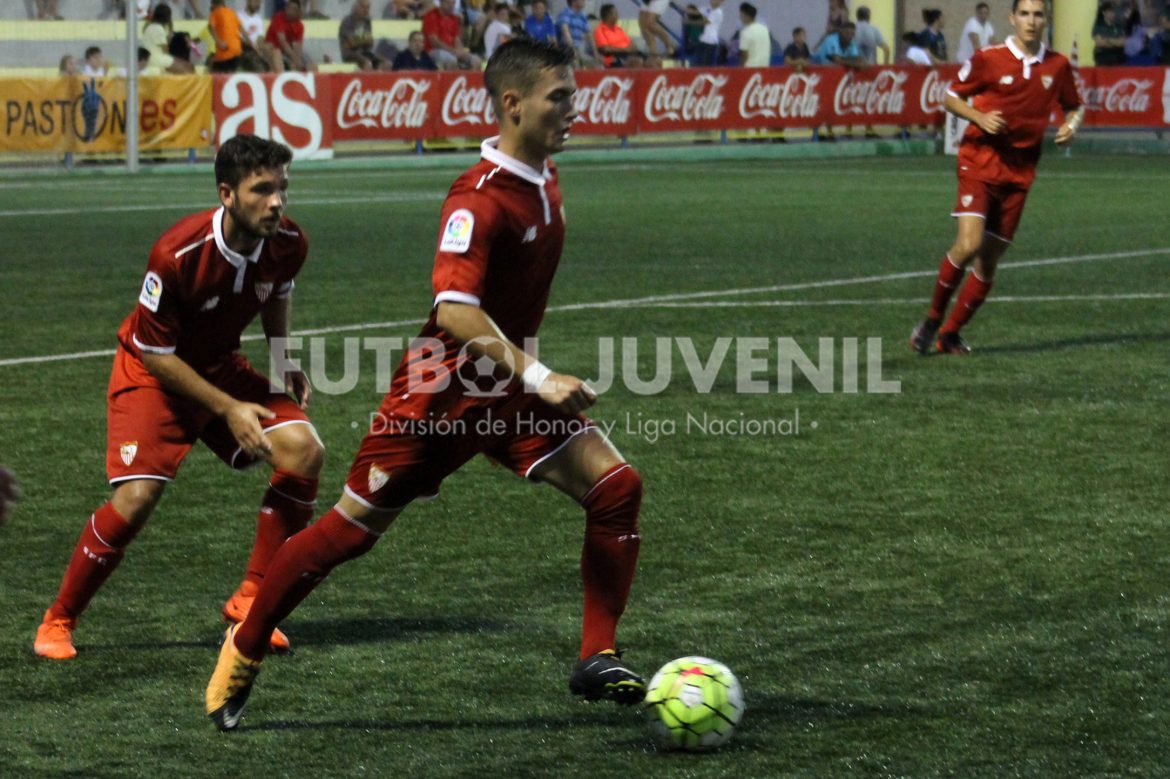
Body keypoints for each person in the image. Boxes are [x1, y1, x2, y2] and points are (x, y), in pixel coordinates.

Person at [205, 37, 647, 731]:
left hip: (504, 393)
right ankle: (249, 638)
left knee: (617, 486)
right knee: (349, 533)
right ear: (513, 104)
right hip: (436, 398)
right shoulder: (478, 199)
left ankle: (597, 655)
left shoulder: (543, 175)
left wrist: (524, 377)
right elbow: (453, 307)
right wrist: (538, 372)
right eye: (559, 96)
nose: (573, 106)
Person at [34, 135, 324, 661]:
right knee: (137, 499)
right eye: (262, 189)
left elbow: (278, 291)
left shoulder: (289, 242)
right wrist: (229, 408)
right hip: (152, 371)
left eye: (283, 188)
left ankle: (251, 598)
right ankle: (58, 619)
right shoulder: (177, 253)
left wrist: (284, 359)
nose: (277, 201)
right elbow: (155, 353)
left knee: (305, 450)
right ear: (226, 194)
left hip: (217, 364)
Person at [909, 0, 1083, 355]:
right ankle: (930, 320)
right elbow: (951, 97)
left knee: (988, 261)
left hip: (1019, 173)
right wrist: (978, 117)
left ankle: (950, 334)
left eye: (1038, 15)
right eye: (1025, 14)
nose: (1031, 21)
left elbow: (1074, 105)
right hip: (980, 161)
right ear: (1012, 18)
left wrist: (1071, 125)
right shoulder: (989, 58)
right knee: (969, 244)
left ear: (1045, 20)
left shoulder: (1057, 65)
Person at [423, 0, 482, 70]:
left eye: (453, 3)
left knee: (476, 60)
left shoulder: (454, 18)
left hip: (451, 50)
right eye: (448, 3)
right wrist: (452, 51)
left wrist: (460, 50)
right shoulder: (431, 16)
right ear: (441, 3)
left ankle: (469, 80)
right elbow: (434, 42)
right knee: (451, 60)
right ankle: (452, 80)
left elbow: (456, 39)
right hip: (433, 50)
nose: (451, 6)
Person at [143, 3, 196, 74]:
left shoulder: (149, 27)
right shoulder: (159, 29)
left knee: (180, 64)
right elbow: (165, 50)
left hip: (150, 58)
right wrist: (169, 39)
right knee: (189, 67)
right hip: (157, 58)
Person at [267, 0, 315, 72]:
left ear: (298, 12)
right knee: (278, 54)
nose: (290, 11)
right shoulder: (278, 18)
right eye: (289, 8)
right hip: (276, 49)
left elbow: (298, 45)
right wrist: (294, 58)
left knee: (311, 65)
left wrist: (298, 59)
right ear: (285, 8)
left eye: (294, 9)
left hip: (289, 50)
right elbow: (283, 42)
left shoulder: (299, 25)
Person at [340, 0, 388, 70]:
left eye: (367, 8)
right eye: (363, 7)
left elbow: (370, 43)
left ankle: (380, 80)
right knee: (367, 62)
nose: (365, 10)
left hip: (365, 52)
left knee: (385, 63)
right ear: (356, 7)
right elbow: (351, 43)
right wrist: (364, 39)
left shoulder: (367, 22)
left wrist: (358, 40)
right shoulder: (347, 21)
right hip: (350, 54)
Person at [239, 0, 281, 72]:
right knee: (260, 60)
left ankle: (278, 78)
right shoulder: (238, 16)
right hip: (245, 50)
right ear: (248, 1)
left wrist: (261, 47)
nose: (258, 5)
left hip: (257, 48)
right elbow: (239, 39)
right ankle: (271, 75)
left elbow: (260, 38)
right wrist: (253, 46)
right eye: (256, 1)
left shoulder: (258, 19)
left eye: (259, 2)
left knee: (276, 51)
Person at [557, 0, 598, 68]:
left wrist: (595, 52)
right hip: (567, 47)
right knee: (575, 63)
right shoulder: (565, 14)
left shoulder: (582, 16)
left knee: (598, 64)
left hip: (580, 48)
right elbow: (566, 32)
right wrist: (573, 49)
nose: (584, 1)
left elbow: (589, 35)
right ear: (573, 1)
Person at [208, 0, 244, 73]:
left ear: (212, 4)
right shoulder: (232, 12)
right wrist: (250, 42)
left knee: (214, 73)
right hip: (237, 49)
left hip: (225, 51)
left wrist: (219, 42)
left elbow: (210, 27)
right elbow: (241, 29)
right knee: (231, 74)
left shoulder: (214, 13)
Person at [737, 2, 770, 67]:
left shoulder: (745, 32)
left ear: (746, 16)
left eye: (741, 15)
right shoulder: (765, 29)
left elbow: (744, 54)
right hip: (765, 66)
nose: (740, 18)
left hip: (750, 68)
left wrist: (741, 67)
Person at [694, 0, 724, 66]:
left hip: (711, 42)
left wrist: (687, 22)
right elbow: (694, 12)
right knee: (699, 64)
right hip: (703, 40)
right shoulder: (708, 9)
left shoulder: (718, 12)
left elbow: (705, 22)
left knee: (705, 64)